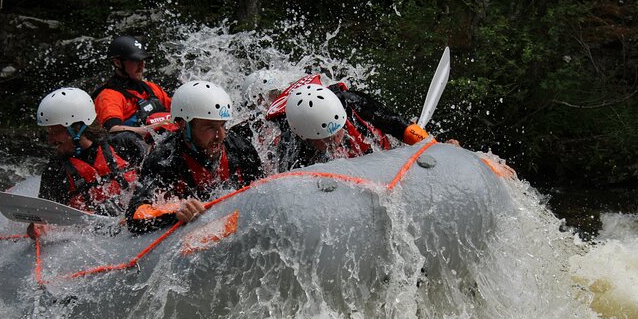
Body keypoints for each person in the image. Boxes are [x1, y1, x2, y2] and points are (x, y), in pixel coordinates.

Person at [126, 80, 264, 234]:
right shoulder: (163, 159)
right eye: (210, 127)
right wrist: (176, 214)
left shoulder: (240, 148)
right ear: (184, 125)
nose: (220, 136)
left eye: (223, 125)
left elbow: (263, 192)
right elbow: (134, 216)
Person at [31, 87, 144, 237]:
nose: (50, 140)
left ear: (77, 128)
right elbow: (44, 217)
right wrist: (37, 227)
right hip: (93, 238)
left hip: (135, 226)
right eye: (48, 132)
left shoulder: (125, 145)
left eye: (55, 131)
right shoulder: (55, 170)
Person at [273, 80, 429, 171]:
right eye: (326, 139)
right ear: (306, 138)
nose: (334, 141)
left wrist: (430, 145)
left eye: (337, 131)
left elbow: (398, 124)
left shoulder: (352, 102)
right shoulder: (291, 148)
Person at [92, 35, 175, 149]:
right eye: (135, 61)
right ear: (117, 63)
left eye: (142, 60)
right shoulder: (108, 96)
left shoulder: (151, 88)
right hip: (137, 151)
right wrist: (149, 130)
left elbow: (178, 111)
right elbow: (112, 130)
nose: (141, 66)